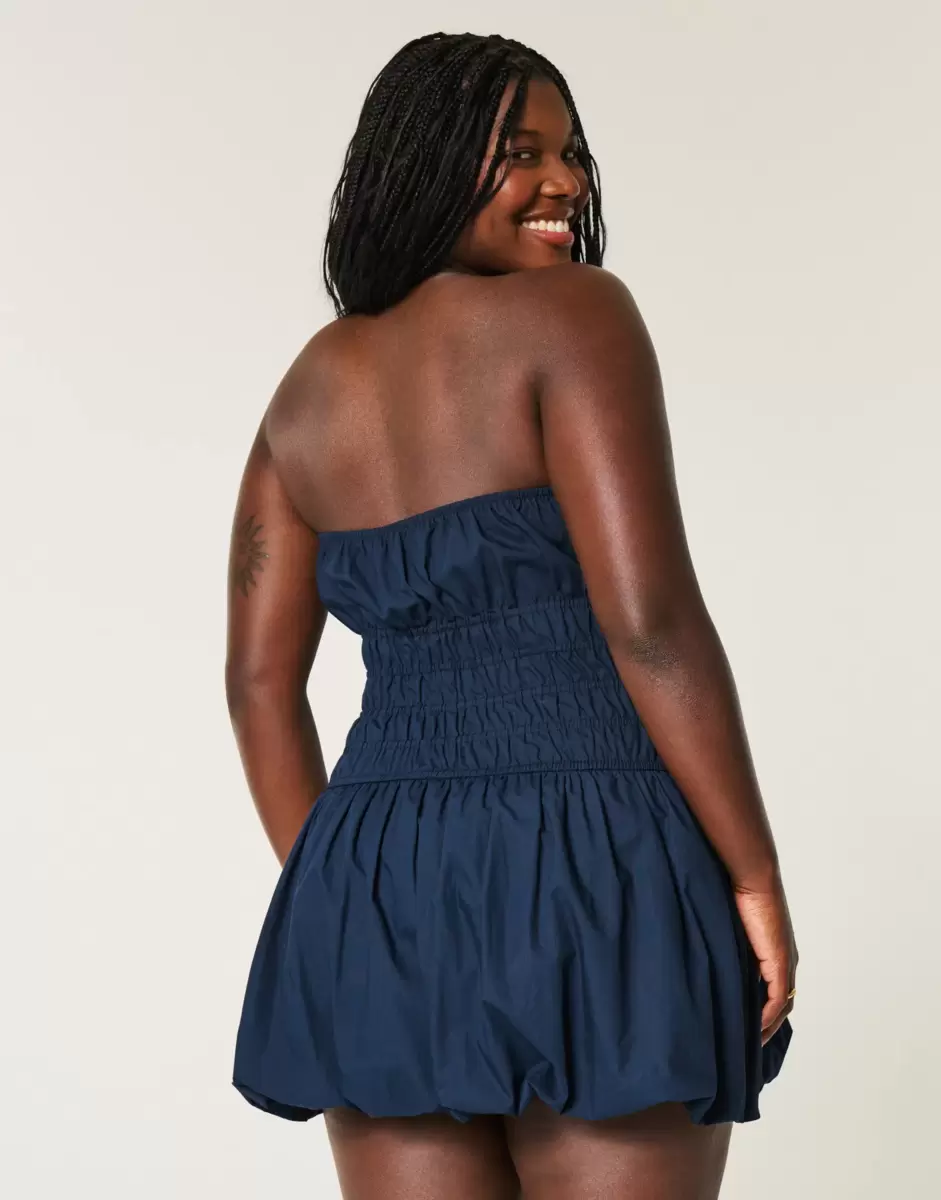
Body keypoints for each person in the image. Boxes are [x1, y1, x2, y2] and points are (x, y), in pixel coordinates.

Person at [226, 30, 796, 1200]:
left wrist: (346, 900)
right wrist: (754, 875)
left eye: (570, 152)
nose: (566, 182)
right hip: (600, 857)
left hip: (379, 875)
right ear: (427, 163)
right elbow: (651, 624)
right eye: (521, 152)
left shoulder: (309, 389)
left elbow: (256, 685)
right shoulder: (577, 317)